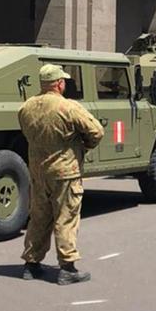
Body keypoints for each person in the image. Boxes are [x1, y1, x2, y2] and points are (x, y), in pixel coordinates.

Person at [18, 64, 105, 285]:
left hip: (38, 172)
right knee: (66, 218)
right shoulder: (68, 107)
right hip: (65, 172)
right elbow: (97, 131)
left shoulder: (26, 107)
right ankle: (67, 268)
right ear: (59, 83)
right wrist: (84, 146)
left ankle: (31, 264)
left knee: (39, 217)